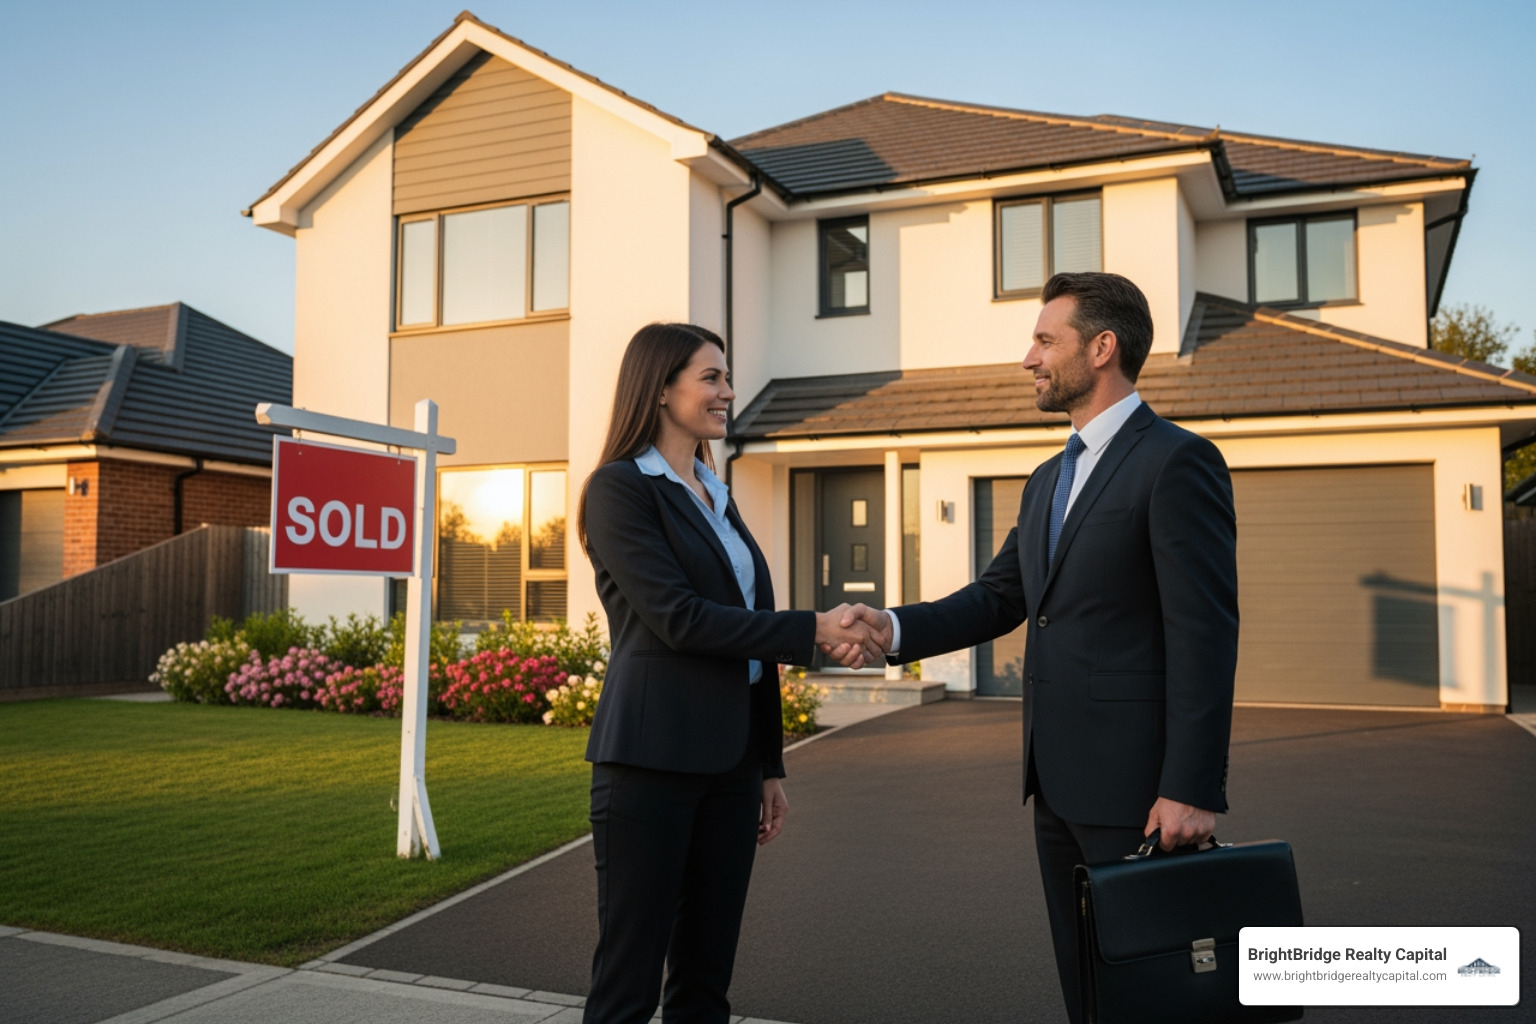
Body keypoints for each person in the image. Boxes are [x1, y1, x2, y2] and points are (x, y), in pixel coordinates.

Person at [829, 272, 1239, 1024]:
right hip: (1054, 783)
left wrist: (1191, 786)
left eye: (1046, 340)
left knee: (1155, 993)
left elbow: (1205, 631)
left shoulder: (1177, 462)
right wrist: (893, 627)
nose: (1029, 359)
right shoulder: (1049, 477)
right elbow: (1000, 597)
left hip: (1141, 790)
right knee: (1085, 982)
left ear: (1103, 347)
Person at [576, 322, 881, 1024]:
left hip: (731, 767)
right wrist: (812, 628)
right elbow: (681, 619)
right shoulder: (620, 491)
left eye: (726, 376)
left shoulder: (715, 492)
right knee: (627, 985)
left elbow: (748, 640)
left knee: (706, 980)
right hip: (650, 764)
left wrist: (768, 763)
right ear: (658, 388)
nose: (729, 392)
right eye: (710, 377)